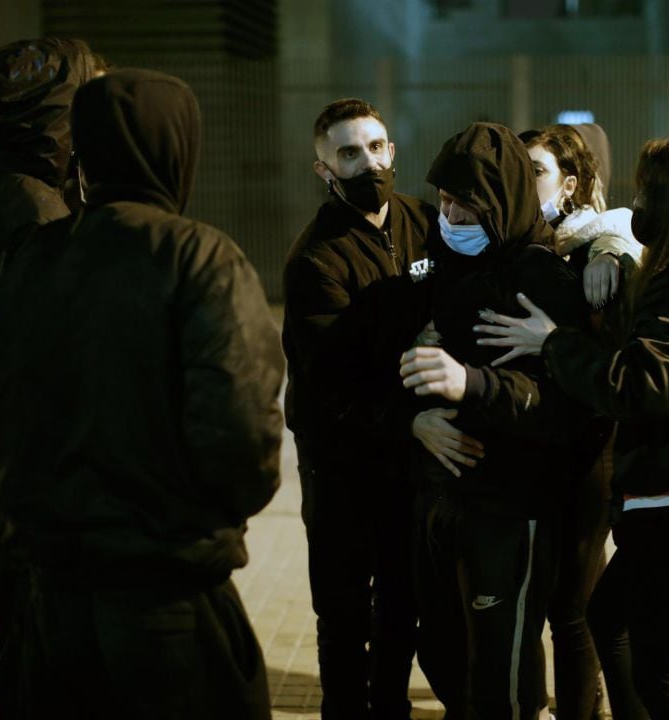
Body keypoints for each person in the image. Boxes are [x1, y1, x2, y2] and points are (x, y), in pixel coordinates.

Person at [0, 68, 283, 719]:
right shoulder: (199, 257)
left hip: (51, 601)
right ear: (177, 150)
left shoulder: (29, 259)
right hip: (165, 601)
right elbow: (242, 433)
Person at [474, 134, 669, 719]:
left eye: (648, 190)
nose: (638, 203)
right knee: (611, 622)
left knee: (655, 671)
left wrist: (554, 342)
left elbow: (640, 387)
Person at [400, 122, 590, 719]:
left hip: (511, 509)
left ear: (501, 200)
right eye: (446, 200)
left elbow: (568, 408)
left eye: (468, 203)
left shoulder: (540, 276)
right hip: (443, 498)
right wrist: (418, 418)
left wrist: (472, 383)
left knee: (499, 682)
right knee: (441, 653)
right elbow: (413, 365)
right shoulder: (446, 264)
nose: (452, 214)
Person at [0, 36, 99, 716]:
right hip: (30, 495)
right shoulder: (36, 212)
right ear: (55, 118)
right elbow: (46, 372)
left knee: (26, 653)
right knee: (46, 670)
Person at [282, 98, 440, 719]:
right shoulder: (315, 260)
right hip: (341, 462)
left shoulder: (424, 222)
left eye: (376, 148)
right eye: (348, 153)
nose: (367, 163)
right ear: (324, 169)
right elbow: (331, 385)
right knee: (345, 612)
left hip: (408, 458)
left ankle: (393, 706)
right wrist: (410, 417)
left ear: (392, 152)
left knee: (403, 601)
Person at [520, 123, 644, 720]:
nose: (525, 183)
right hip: (530, 451)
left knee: (572, 609)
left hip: (588, 451)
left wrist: (612, 248)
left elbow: (617, 367)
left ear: (570, 183)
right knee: (537, 605)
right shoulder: (524, 241)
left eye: (536, 172)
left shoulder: (598, 247)